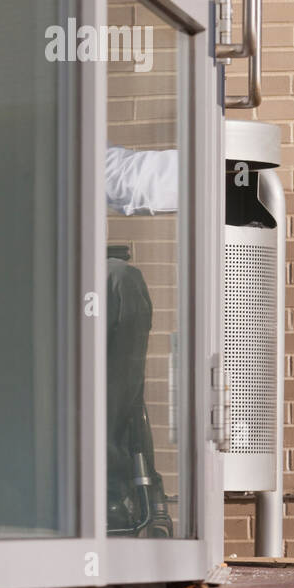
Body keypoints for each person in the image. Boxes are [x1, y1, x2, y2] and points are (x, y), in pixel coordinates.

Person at [105, 145, 177, 535]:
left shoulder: (63, 136)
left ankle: (119, 482)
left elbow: (125, 177)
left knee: (120, 281)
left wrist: (219, 167)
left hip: (66, 279)